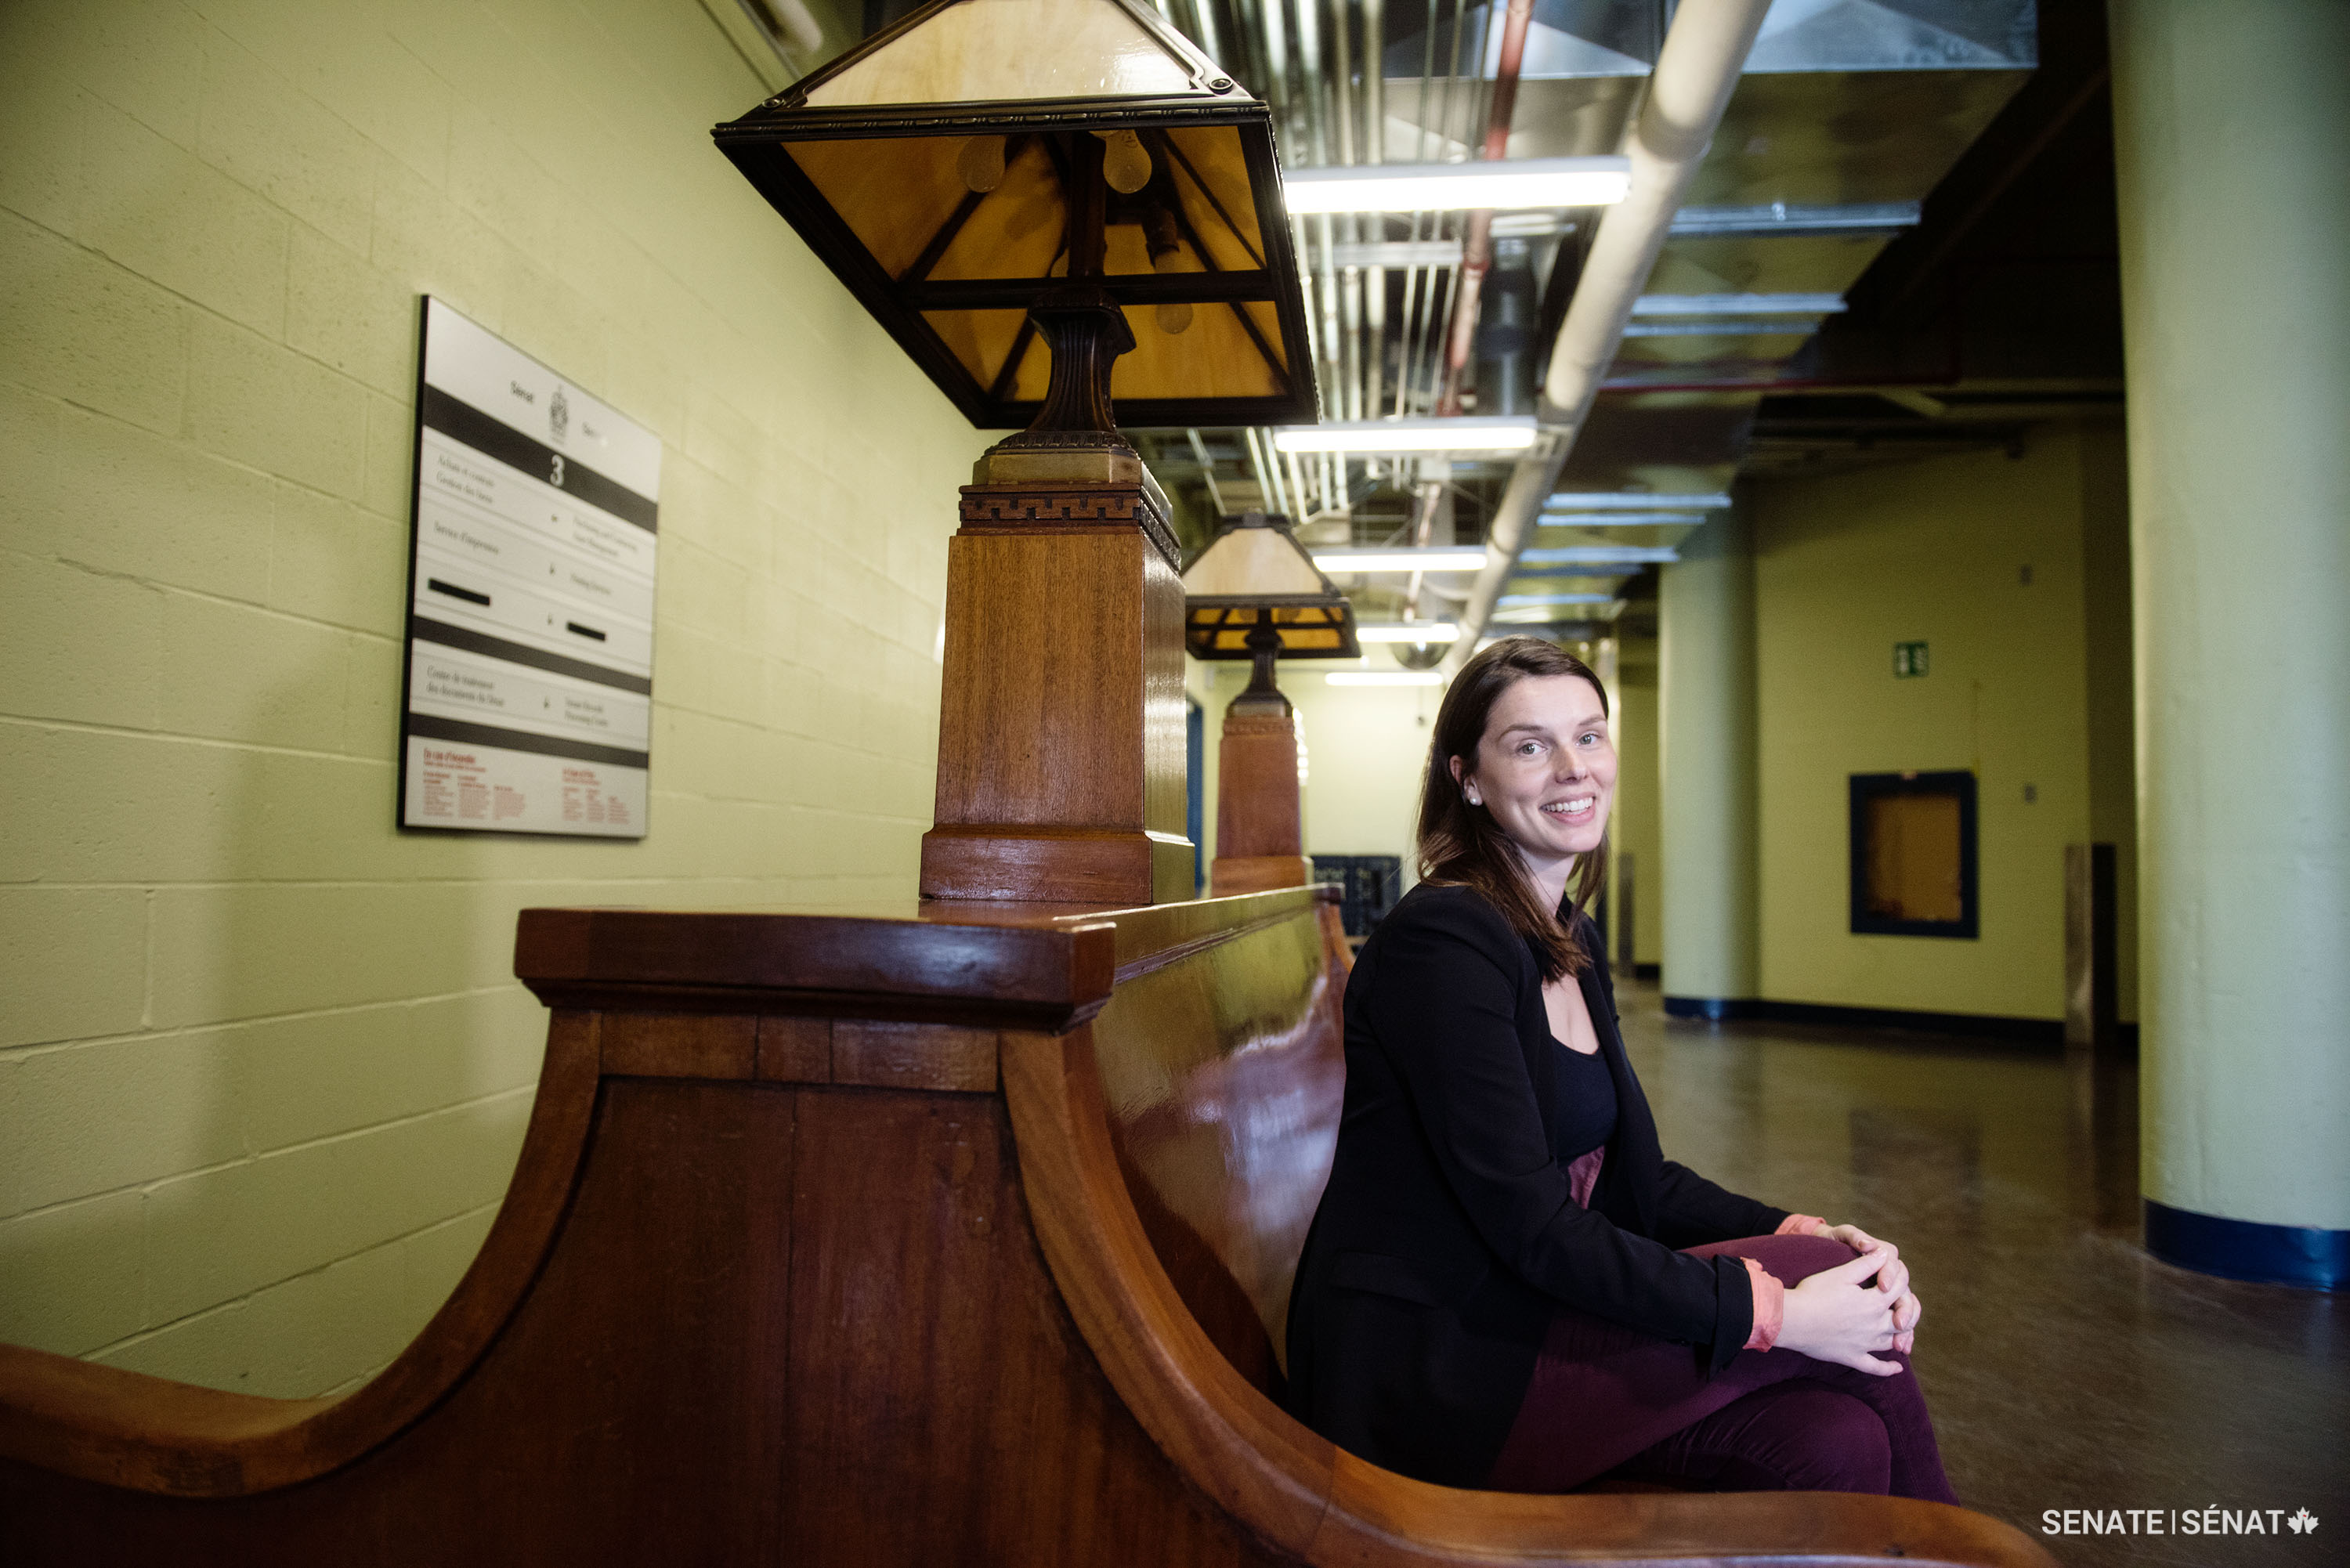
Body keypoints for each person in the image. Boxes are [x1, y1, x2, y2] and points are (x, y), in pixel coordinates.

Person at [1283, 637, 1953, 1500]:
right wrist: (1773, 1307)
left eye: (1590, 737)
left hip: (1529, 1317)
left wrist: (1804, 1231)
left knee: (1834, 1438)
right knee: (1852, 1331)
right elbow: (1529, 1223)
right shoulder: (1445, 942)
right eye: (1530, 745)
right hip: (1439, 1366)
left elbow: (1643, 1183)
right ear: (1468, 776)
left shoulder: (1567, 935)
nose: (1573, 768)